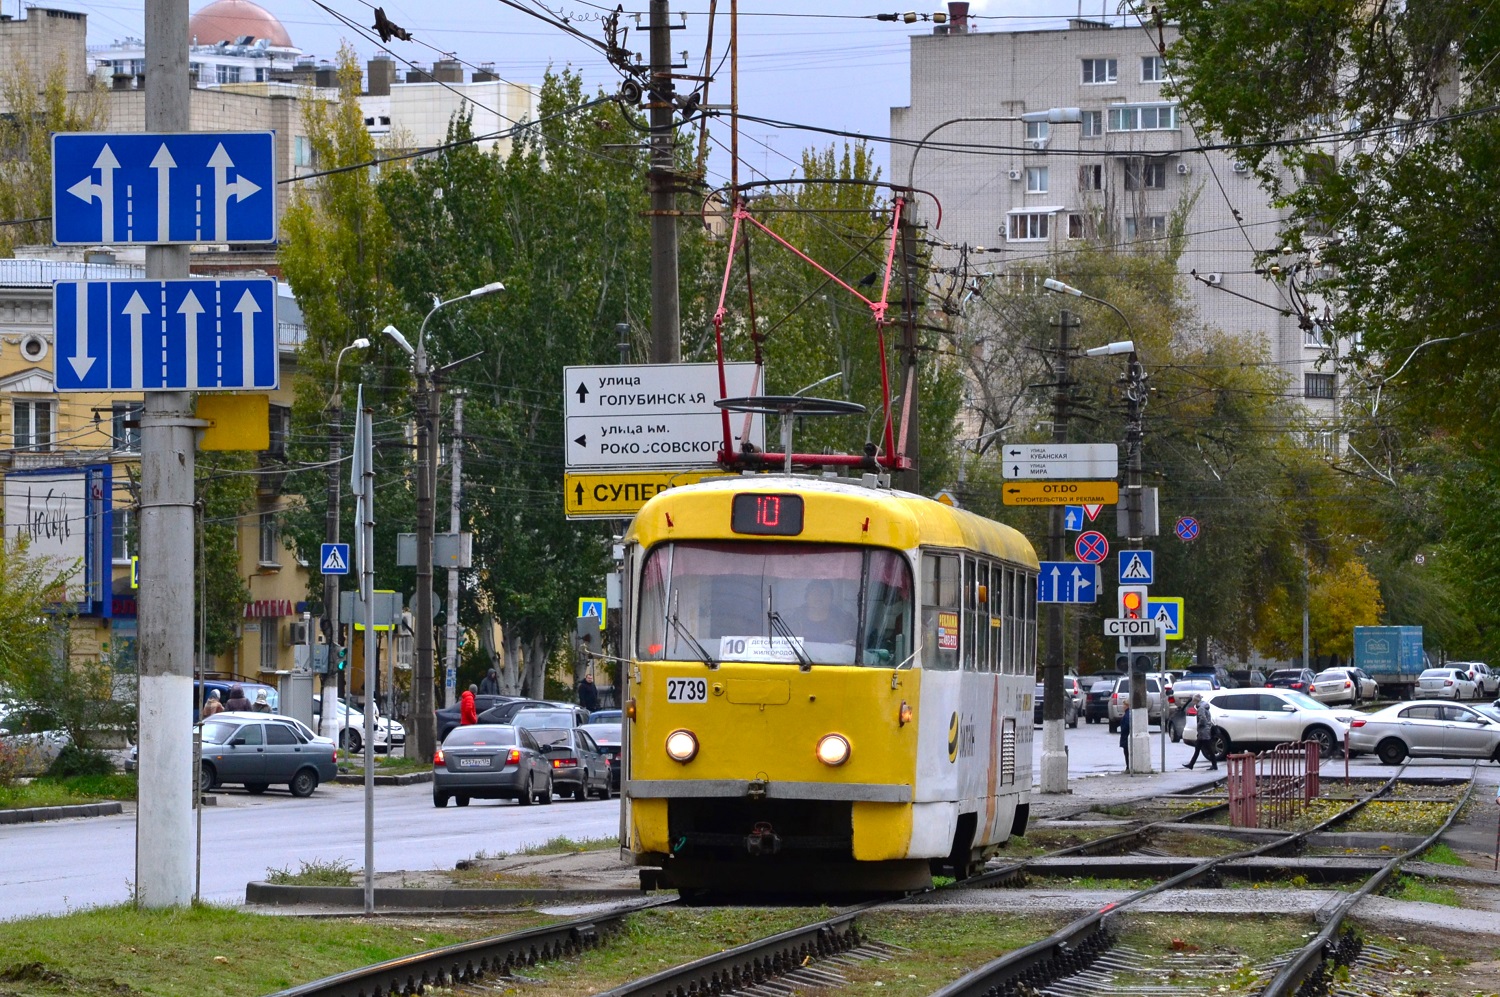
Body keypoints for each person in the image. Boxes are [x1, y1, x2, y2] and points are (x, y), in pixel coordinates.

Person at [799, 580, 857, 644]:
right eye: (814, 592)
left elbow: (855, 645)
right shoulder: (793, 619)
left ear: (831, 598)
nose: (819, 596)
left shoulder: (846, 621)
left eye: (824, 592)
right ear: (806, 597)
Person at [1184, 695, 1219, 771]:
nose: (1193, 702)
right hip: (1205, 730)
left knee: (1208, 749)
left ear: (1196, 700)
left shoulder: (1201, 708)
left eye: (1193, 700)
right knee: (1199, 748)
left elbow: (1203, 719)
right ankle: (1191, 764)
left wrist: (1199, 725)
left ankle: (1214, 765)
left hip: (1203, 731)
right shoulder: (1205, 706)